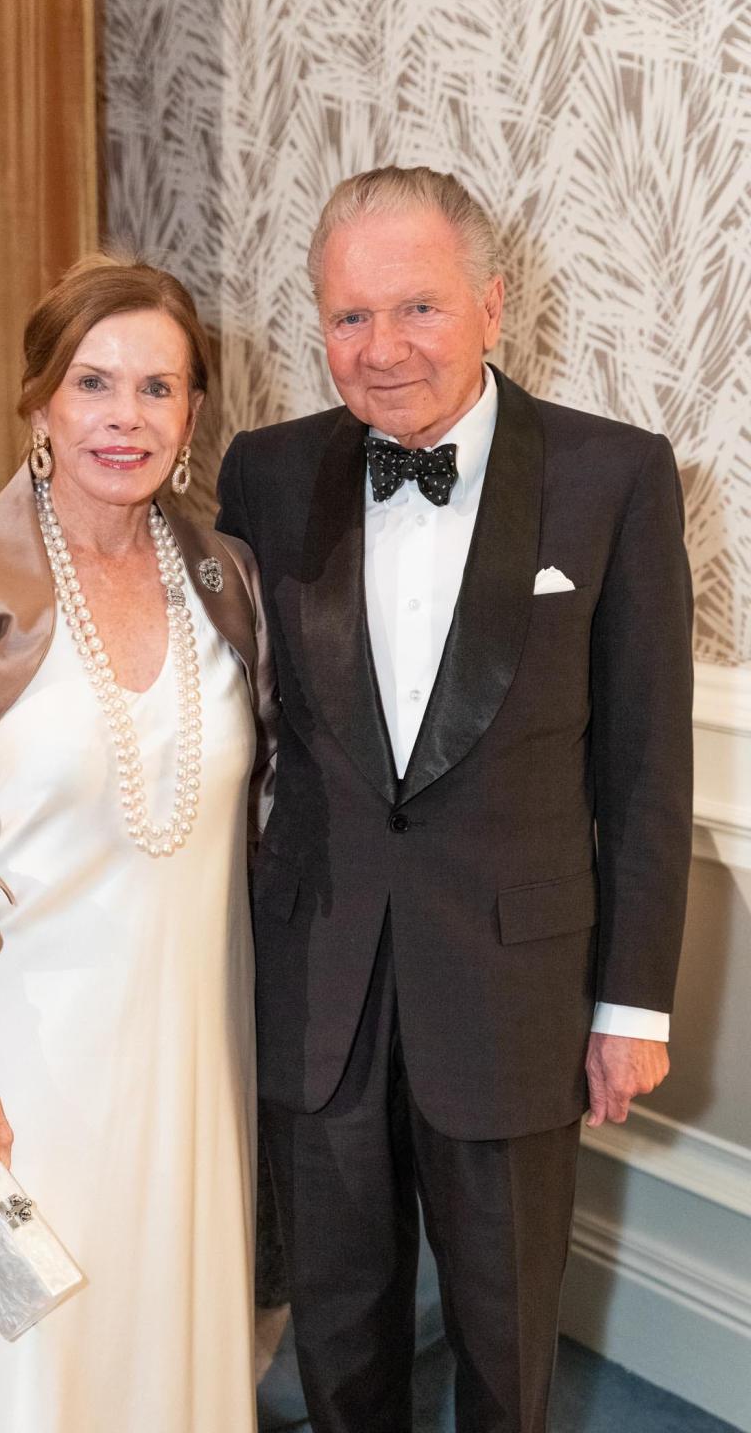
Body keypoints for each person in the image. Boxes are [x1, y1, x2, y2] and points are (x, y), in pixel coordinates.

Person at [217, 166, 693, 1433]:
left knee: (503, 1339)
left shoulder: (614, 477)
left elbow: (645, 767)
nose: (381, 351)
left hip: (516, 990)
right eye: (348, 318)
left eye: (417, 308)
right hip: (318, 982)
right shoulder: (262, 476)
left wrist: (633, 1004)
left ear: (492, 303)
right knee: (337, 1335)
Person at [0, 252, 274, 1433]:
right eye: (95, 384)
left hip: (201, 1051)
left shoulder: (225, 580)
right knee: (45, 1373)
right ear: (40, 399)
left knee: (184, 1350)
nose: (125, 418)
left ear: (194, 411)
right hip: (22, 1070)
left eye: (159, 387)